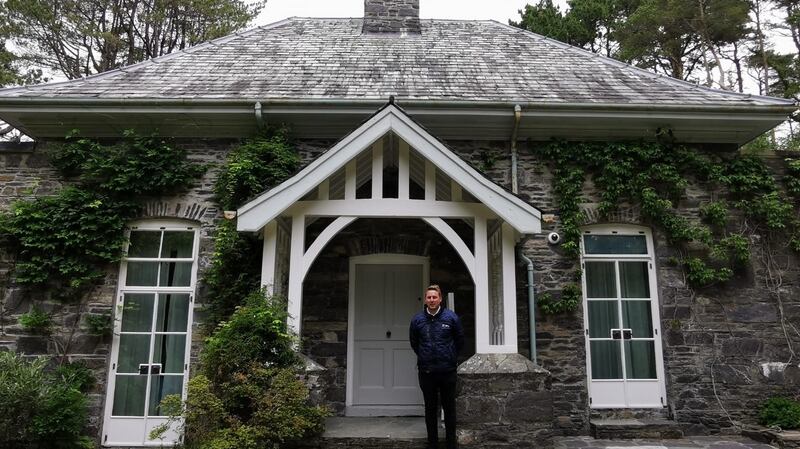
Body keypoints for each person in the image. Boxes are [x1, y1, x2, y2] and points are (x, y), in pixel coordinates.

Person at [409, 284, 464, 449]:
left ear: (440, 299)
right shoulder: (417, 320)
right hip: (427, 372)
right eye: (429, 297)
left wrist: (450, 357)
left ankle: (450, 443)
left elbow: (460, 340)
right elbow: (414, 343)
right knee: (430, 408)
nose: (432, 300)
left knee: (449, 408)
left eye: (435, 297)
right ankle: (432, 443)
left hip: (447, 371)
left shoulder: (451, 318)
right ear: (425, 300)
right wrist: (425, 356)